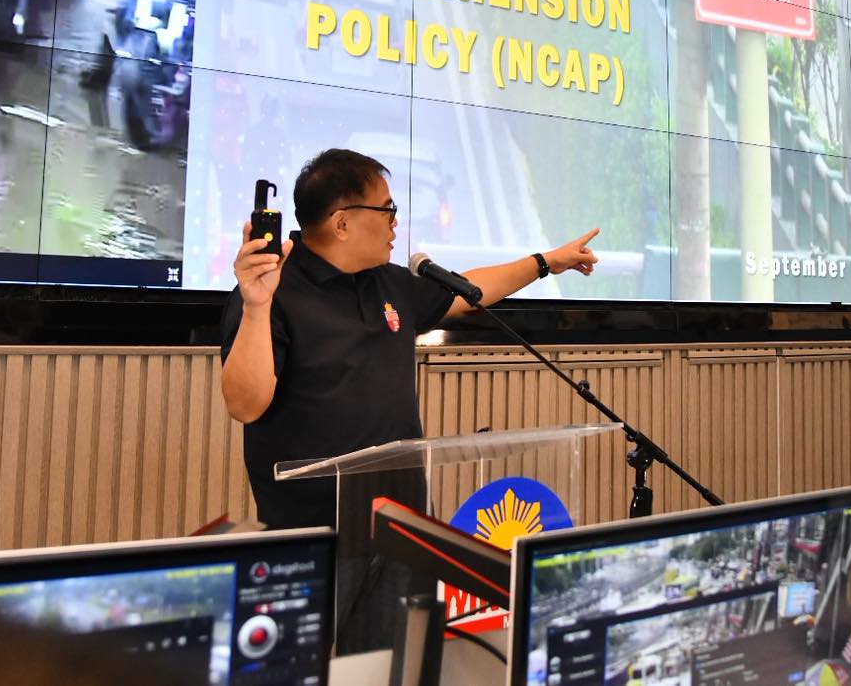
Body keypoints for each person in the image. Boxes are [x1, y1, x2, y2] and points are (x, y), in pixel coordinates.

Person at [220, 148, 599, 649]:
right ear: (341, 222)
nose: (396, 222)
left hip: (400, 528)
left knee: (395, 665)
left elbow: (471, 291)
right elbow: (245, 404)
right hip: (313, 539)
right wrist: (255, 306)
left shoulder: (390, 283)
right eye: (387, 209)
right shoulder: (273, 290)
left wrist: (545, 263)